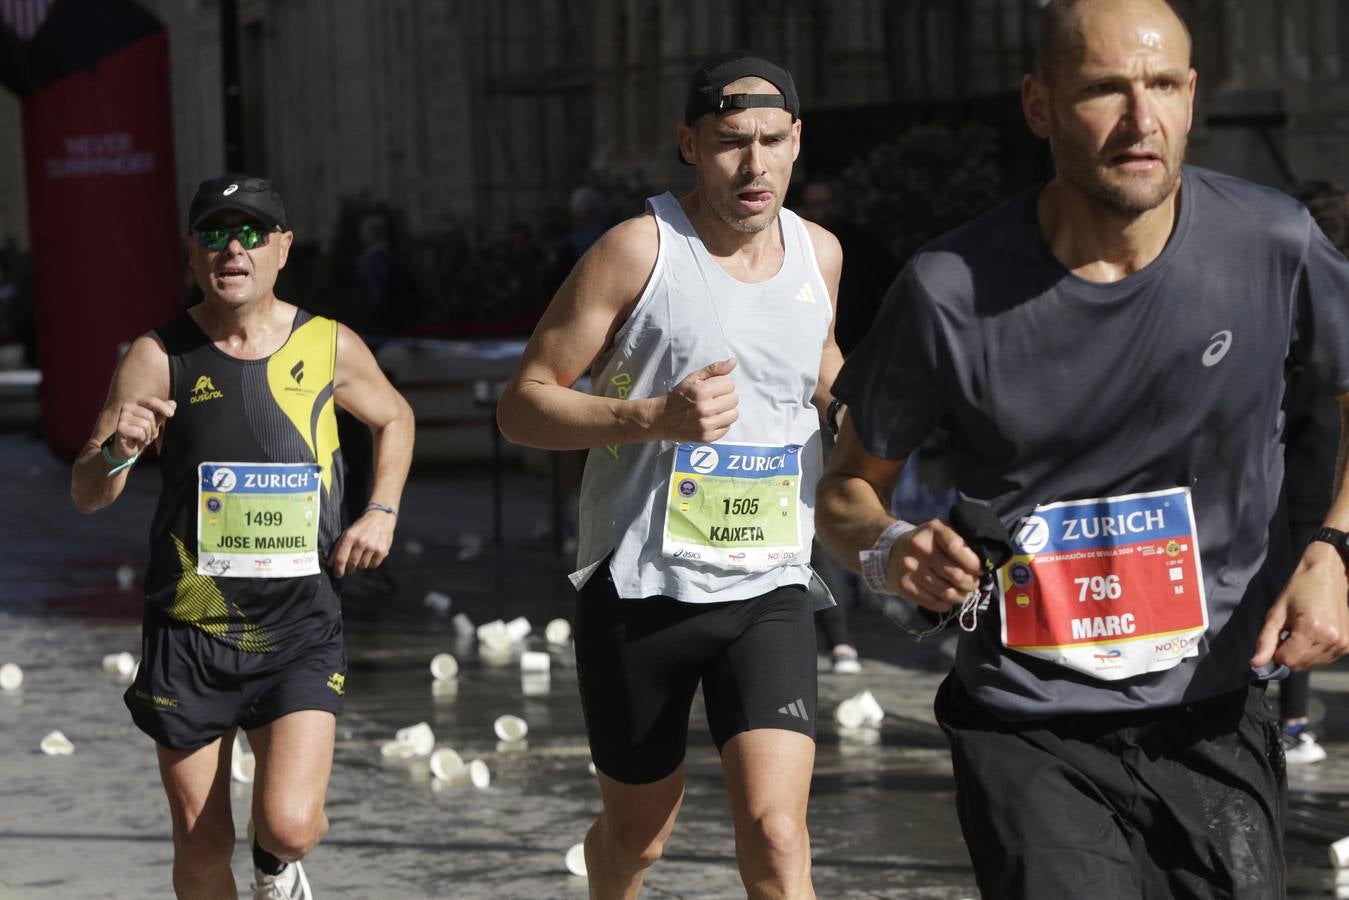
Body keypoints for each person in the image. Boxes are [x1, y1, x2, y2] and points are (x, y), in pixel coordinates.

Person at [814, 1, 1349, 896]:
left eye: (1162, 86)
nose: (1141, 121)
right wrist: (889, 547)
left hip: (1213, 714)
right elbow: (843, 492)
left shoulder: (1270, 241)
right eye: (1104, 89)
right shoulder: (948, 290)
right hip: (1027, 722)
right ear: (1039, 105)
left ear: (1190, 95)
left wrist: (1333, 549)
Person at [497, 51, 842, 899]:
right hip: (642, 592)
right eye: (730, 142)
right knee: (637, 838)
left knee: (778, 834)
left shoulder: (819, 254)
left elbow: (818, 365)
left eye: (771, 141)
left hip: (768, 585)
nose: (754, 165)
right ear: (690, 144)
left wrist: (864, 410)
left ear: (797, 140)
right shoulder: (636, 250)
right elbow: (522, 405)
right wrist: (650, 418)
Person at [71, 173, 415, 899]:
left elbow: (394, 416)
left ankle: (276, 865)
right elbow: (88, 493)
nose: (234, 249)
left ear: (282, 248)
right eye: (216, 234)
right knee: (201, 847)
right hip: (190, 626)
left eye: (251, 233)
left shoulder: (328, 344)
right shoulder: (158, 353)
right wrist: (119, 452)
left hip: (299, 623)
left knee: (289, 826)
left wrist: (381, 509)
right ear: (193, 250)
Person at [1280, 180, 1349, 766]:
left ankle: (1294, 722)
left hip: (1310, 485)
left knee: (1301, 599)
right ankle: (1294, 722)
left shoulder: (1307, 311)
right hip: (1317, 481)